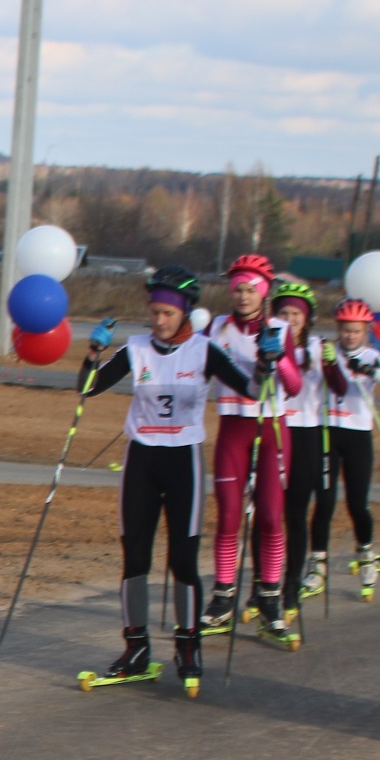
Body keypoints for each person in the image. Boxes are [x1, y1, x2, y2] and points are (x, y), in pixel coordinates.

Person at [72, 264, 255, 696]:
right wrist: (93, 354)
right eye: (153, 312)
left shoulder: (204, 351)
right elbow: (88, 388)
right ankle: (135, 647)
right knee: (134, 557)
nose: (158, 321)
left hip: (184, 461)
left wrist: (268, 361)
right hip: (141, 459)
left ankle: (188, 646)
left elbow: (253, 389)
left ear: (185, 312)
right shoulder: (136, 348)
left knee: (183, 560)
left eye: (167, 314)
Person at [203, 254, 289, 639]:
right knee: (228, 515)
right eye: (237, 288)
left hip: (271, 427)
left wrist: (278, 357)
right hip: (233, 428)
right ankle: (223, 596)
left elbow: (298, 386)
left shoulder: (279, 327)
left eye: (250, 289)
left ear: (263, 293)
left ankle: (270, 595)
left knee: (270, 516)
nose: (242, 296)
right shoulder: (216, 327)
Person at [302, 298, 380, 603]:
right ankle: (317, 564)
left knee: (358, 503)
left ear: (366, 330)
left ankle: (366, 554)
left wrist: (368, 369)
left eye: (356, 330)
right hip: (328, 431)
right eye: (346, 330)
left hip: (357, 434)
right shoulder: (327, 351)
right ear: (339, 328)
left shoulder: (371, 355)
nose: (351, 336)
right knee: (324, 502)